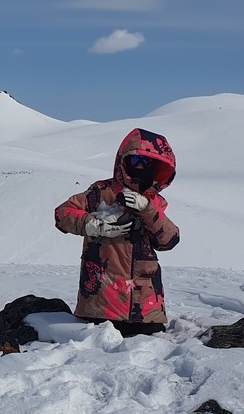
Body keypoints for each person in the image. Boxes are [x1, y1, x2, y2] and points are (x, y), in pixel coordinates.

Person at [54, 128, 180, 336]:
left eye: (146, 162)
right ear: (123, 160)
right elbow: (62, 214)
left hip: (145, 309)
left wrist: (147, 209)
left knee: (151, 361)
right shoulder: (100, 192)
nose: (140, 167)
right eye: (134, 160)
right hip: (99, 303)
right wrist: (93, 224)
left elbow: (168, 240)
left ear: (157, 167)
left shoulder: (155, 202)